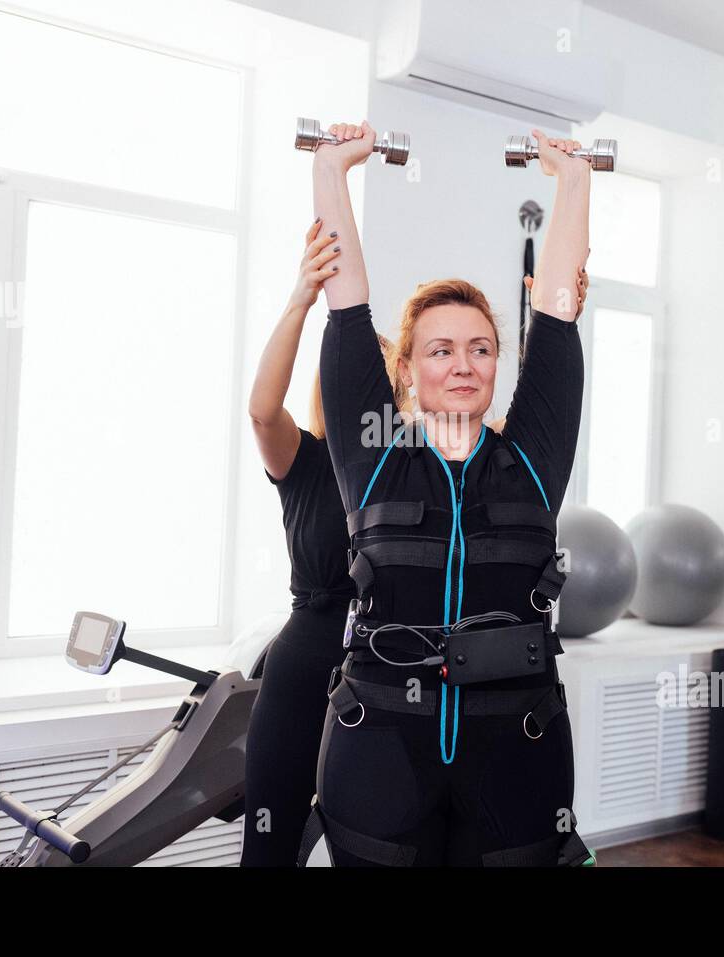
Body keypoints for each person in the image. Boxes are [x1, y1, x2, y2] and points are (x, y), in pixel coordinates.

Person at [305, 121, 593, 866]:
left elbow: (556, 321)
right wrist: (333, 168)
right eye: (441, 349)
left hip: (516, 758)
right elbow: (345, 308)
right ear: (406, 367)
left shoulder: (530, 458)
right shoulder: (373, 456)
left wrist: (575, 182)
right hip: (379, 753)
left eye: (481, 347)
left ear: (499, 362)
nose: (463, 363)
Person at [240, 217, 406, 865]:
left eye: (392, 392)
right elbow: (260, 408)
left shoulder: (412, 476)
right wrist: (302, 296)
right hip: (303, 666)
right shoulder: (300, 460)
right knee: (271, 845)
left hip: (384, 673)